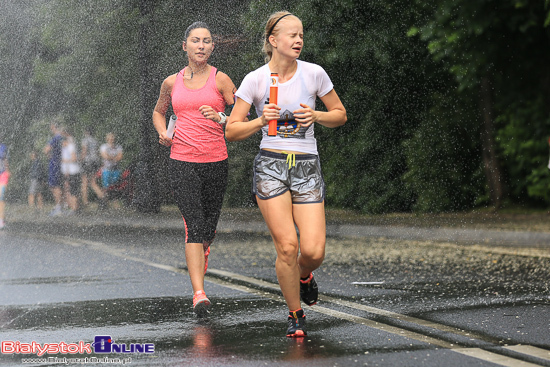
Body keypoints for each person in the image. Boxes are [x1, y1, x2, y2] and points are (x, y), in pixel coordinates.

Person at [225, 11, 347, 337]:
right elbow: (233, 131)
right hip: (271, 165)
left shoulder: (314, 74)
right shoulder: (255, 80)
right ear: (273, 40)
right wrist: (259, 120)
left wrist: (317, 116)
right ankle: (295, 314)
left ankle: (303, 276)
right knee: (288, 247)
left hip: (306, 165)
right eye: (291, 35)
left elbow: (340, 115)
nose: (298, 41)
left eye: (301, 35)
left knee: (314, 251)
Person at [152, 21, 237, 316]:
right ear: (185, 46)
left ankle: (205, 247)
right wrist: (163, 132)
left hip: (216, 161)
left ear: (213, 47)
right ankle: (199, 293)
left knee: (208, 229)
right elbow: (159, 111)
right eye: (195, 40)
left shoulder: (221, 79)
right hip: (181, 161)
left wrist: (221, 116)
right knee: (194, 226)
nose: (201, 45)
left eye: (206, 41)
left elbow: (242, 112)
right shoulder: (171, 83)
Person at [44, 123, 64, 216]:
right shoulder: (63, 138)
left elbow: (46, 150)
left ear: (53, 127)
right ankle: (60, 206)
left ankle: (59, 208)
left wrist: (48, 154)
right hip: (62, 164)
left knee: (54, 186)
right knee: (59, 186)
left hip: (54, 164)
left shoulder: (55, 138)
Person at [80, 127, 104, 207]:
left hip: (87, 162)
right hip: (95, 162)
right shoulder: (95, 141)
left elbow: (84, 151)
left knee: (84, 182)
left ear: (86, 132)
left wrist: (80, 160)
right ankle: (102, 196)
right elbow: (97, 152)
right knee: (93, 183)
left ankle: (85, 202)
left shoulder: (85, 140)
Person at [99, 132, 123, 208]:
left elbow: (120, 157)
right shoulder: (103, 146)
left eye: (112, 138)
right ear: (107, 139)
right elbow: (104, 156)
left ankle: (115, 202)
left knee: (115, 186)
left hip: (116, 169)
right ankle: (105, 202)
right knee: (106, 186)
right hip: (106, 169)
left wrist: (111, 157)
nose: (111, 139)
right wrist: (114, 158)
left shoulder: (118, 147)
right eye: (110, 138)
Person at [61, 130, 80, 214]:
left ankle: (75, 209)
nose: (61, 144)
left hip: (74, 171)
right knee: (69, 189)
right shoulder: (67, 147)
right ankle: (72, 208)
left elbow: (74, 158)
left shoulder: (71, 146)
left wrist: (65, 160)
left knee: (73, 190)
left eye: (62, 142)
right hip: (70, 172)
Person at [0, 141, 10, 229]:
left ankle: (1, 220)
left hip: (2, 175)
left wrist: (7, 170)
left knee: (1, 197)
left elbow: (5, 159)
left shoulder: (2, 147)